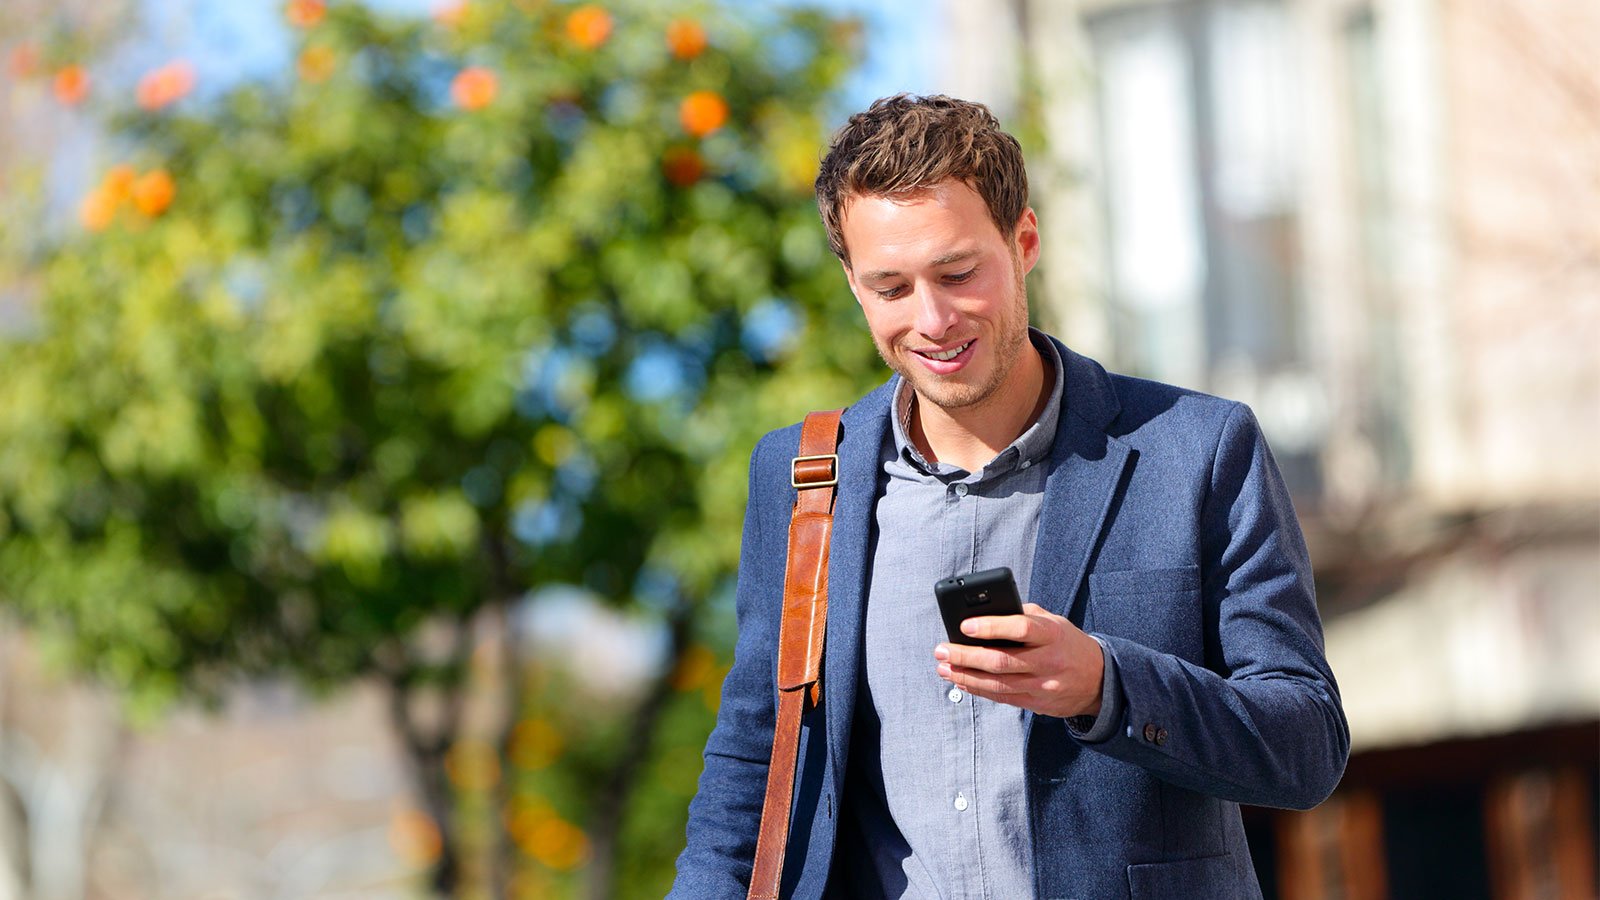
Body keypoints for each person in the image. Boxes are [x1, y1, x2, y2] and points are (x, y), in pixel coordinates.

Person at [669, 94, 1349, 900]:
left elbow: (1306, 744)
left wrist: (1105, 685)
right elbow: (755, 758)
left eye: (958, 274)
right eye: (891, 288)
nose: (932, 319)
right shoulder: (806, 476)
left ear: (1024, 242)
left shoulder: (1198, 450)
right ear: (852, 283)